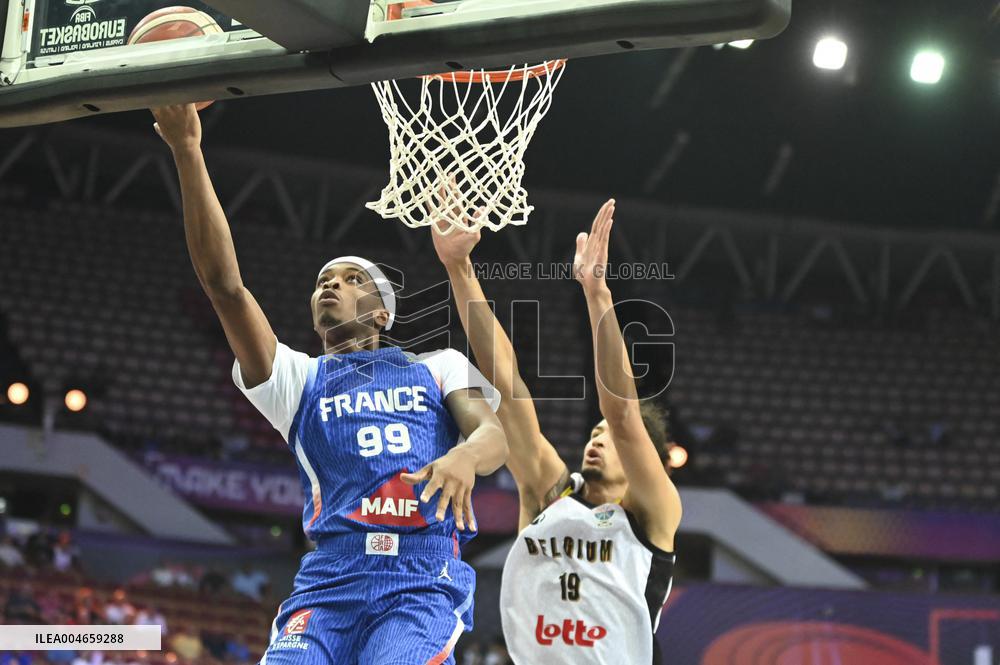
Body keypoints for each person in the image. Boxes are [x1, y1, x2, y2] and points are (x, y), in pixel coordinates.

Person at [151, 103, 508, 665]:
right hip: (330, 576)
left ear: (383, 313)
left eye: (351, 279)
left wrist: (465, 457)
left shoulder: (437, 365)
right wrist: (187, 148)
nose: (331, 286)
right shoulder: (298, 379)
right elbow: (225, 288)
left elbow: (493, 435)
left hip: (420, 577)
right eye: (324, 281)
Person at [432, 199, 682, 664]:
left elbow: (624, 416)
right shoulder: (551, 495)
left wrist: (597, 294)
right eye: (594, 431)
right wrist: (459, 268)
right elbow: (506, 387)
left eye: (609, 437)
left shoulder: (653, 513)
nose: (598, 437)